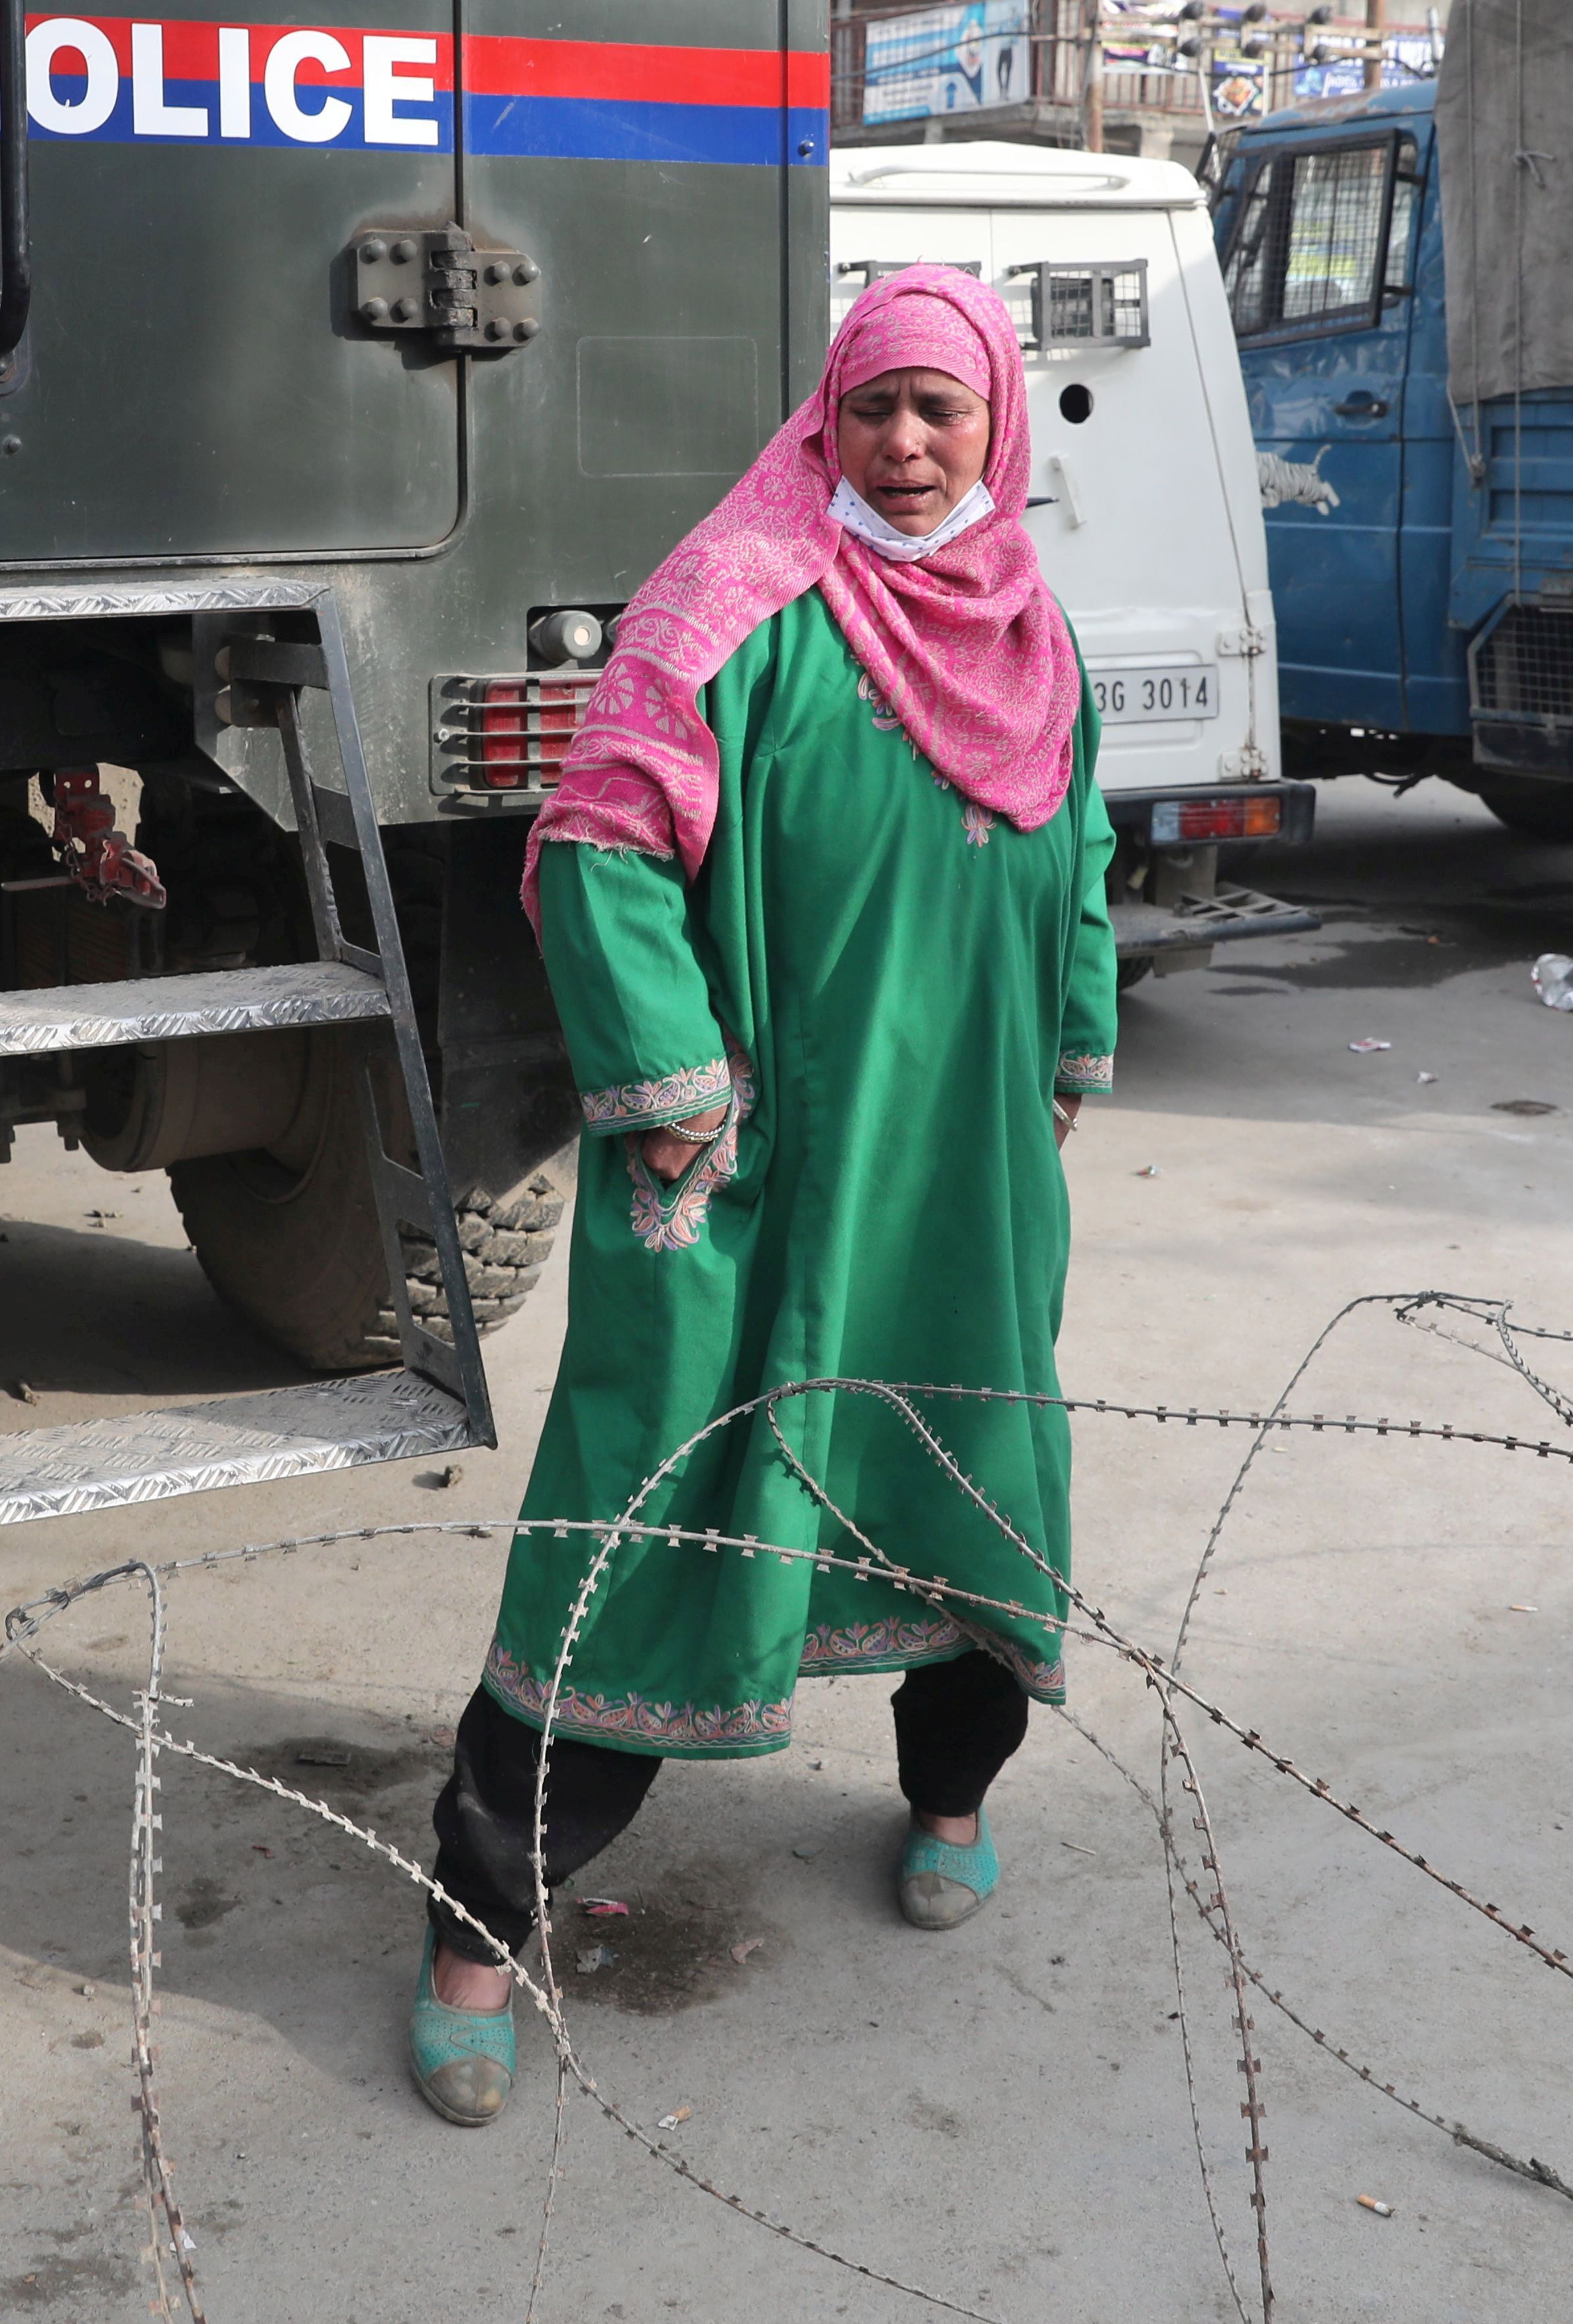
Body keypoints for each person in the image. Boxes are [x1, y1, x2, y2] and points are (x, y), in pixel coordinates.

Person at [404, 265, 1114, 2125]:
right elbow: (597, 849)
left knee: (959, 1480)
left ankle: (949, 1793)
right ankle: (476, 1928)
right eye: (872, 407)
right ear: (825, 417)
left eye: (937, 411)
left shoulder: (1036, 633)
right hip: (756, 1176)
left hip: (959, 1179)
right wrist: (675, 1082)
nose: (902, 444)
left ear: (994, 426)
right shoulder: (732, 607)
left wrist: (1069, 1048)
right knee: (653, 1520)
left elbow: (1087, 851)